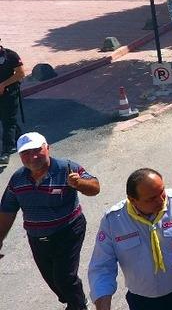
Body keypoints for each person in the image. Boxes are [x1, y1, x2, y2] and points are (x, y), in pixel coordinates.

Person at [88, 168, 172, 310]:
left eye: (162, 191)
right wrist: (103, 305)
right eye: (151, 199)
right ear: (132, 200)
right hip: (143, 302)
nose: (161, 200)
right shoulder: (113, 222)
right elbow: (102, 267)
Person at [0, 132, 100, 310]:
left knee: (64, 277)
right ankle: (73, 299)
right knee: (53, 280)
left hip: (68, 231)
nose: (33, 157)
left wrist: (79, 184)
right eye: (26, 153)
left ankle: (78, 305)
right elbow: (7, 210)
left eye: (37, 150)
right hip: (37, 238)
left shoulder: (66, 167)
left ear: (48, 148)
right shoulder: (18, 179)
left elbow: (95, 187)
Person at [0, 40, 25, 164]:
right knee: (8, 119)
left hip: (10, 93)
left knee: (8, 121)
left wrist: (3, 85)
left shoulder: (10, 55)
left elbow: (20, 73)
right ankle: (20, 138)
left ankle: (6, 152)